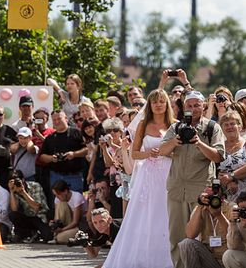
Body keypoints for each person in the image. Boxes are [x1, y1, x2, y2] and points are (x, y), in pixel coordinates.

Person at [103, 88, 175, 268]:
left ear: (167, 104)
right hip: (148, 175)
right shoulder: (143, 124)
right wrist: (149, 153)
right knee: (146, 217)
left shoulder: (175, 124)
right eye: (154, 101)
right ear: (149, 105)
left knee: (167, 216)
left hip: (169, 174)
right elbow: (134, 154)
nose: (158, 105)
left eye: (162, 101)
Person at [160, 73, 225, 268]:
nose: (193, 109)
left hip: (201, 189)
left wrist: (198, 143)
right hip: (177, 189)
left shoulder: (212, 128)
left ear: (204, 106)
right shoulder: (176, 127)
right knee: (176, 236)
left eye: (197, 105)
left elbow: (218, 156)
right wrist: (176, 140)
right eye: (190, 105)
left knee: (204, 235)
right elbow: (162, 151)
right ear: (184, 107)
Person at [178, 187, 229, 268]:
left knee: (229, 255)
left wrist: (219, 215)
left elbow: (234, 236)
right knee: (186, 243)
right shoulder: (201, 208)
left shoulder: (231, 207)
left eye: (214, 197)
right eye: (208, 198)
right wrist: (200, 206)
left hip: (227, 259)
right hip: (209, 258)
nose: (211, 201)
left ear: (222, 198)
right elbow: (190, 234)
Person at [39, 110, 87, 193]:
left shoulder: (77, 133)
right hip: (56, 176)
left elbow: (87, 149)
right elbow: (42, 157)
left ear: (66, 119)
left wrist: (74, 154)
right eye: (54, 120)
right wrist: (51, 158)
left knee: (76, 203)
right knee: (58, 204)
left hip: (74, 176)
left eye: (59, 119)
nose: (57, 122)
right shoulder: (50, 138)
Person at [8, 170, 52, 243]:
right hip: (28, 217)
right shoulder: (14, 190)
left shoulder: (35, 186)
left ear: (23, 180)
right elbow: (14, 209)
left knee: (48, 236)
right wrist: (11, 191)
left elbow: (36, 207)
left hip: (40, 217)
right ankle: (27, 233)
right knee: (12, 215)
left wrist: (23, 192)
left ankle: (37, 233)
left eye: (17, 181)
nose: (16, 184)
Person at [48, 179, 86, 244]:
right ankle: (56, 236)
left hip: (80, 224)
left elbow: (75, 222)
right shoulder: (58, 199)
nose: (57, 197)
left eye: (58, 194)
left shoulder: (77, 197)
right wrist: (54, 224)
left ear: (65, 191)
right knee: (61, 203)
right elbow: (57, 217)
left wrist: (62, 230)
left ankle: (80, 238)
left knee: (60, 238)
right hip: (67, 223)